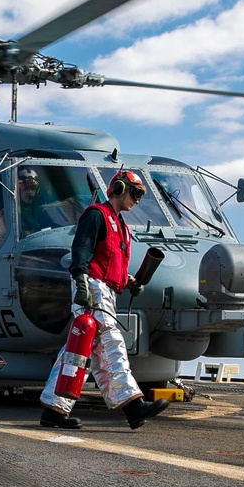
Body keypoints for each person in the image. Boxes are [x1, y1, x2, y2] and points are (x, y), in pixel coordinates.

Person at [39, 171, 169, 430]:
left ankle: (54, 409)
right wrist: (80, 283)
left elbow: (110, 261)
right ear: (119, 188)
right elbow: (81, 251)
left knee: (80, 350)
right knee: (112, 344)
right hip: (93, 287)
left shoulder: (120, 226)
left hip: (106, 289)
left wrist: (130, 280)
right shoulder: (96, 215)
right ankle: (133, 407)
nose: (138, 200)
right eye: (136, 193)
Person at [17, 167, 56, 236]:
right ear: (17, 190)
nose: (29, 192)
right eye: (24, 187)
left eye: (33, 187)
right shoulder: (9, 213)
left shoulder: (44, 210)